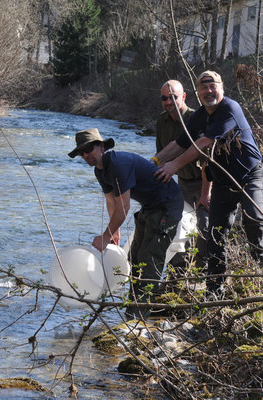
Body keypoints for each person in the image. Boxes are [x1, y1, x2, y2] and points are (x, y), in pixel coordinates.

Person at [154, 71, 263, 297]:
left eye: (213, 86)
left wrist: (173, 166)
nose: (208, 91)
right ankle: (215, 291)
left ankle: (260, 274)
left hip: (250, 175)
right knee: (215, 235)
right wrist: (154, 162)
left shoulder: (229, 109)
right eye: (204, 88)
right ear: (198, 93)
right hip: (222, 181)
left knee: (254, 220)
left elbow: (203, 142)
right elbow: (180, 143)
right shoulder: (200, 116)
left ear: (222, 88)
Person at [69, 128, 184, 319]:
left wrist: (106, 236)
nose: (86, 155)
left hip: (168, 204)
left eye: (89, 149)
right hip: (150, 207)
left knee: (150, 259)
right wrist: (115, 232)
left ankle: (138, 314)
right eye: (82, 152)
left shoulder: (118, 164)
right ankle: (135, 305)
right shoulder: (100, 171)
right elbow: (111, 202)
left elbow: (124, 206)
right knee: (134, 258)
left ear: (102, 146)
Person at [153, 80, 210, 272]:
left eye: (173, 97)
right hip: (181, 184)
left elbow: (206, 160)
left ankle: (204, 275)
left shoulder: (197, 118)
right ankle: (179, 275)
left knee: (205, 227)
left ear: (183, 96)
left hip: (204, 181)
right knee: (181, 230)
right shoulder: (161, 121)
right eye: (164, 98)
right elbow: (161, 156)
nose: (169, 102)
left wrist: (205, 192)